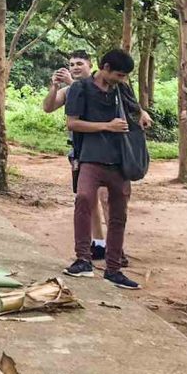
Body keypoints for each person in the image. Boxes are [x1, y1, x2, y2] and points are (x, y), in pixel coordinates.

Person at [63, 49, 150, 289]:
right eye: (119, 74)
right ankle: (83, 259)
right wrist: (107, 126)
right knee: (83, 200)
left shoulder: (121, 89)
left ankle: (113, 268)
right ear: (106, 68)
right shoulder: (81, 88)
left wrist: (142, 115)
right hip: (91, 158)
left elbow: (135, 109)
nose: (122, 79)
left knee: (118, 214)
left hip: (120, 161)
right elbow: (72, 123)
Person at [43, 50, 109, 260]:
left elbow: (92, 98)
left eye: (80, 63)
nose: (75, 67)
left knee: (106, 197)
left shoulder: (100, 85)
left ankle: (116, 245)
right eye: (71, 64)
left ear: (90, 65)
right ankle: (98, 243)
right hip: (79, 152)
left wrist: (72, 83)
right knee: (87, 199)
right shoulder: (69, 90)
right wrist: (54, 87)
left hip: (104, 149)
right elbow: (48, 107)